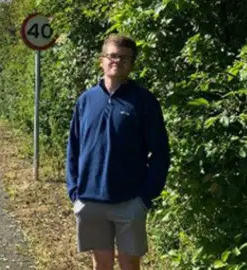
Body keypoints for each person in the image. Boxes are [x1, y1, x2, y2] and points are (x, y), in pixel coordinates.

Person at [65, 34, 171, 270]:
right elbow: (73, 148)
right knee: (100, 264)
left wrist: (145, 196)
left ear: (132, 64)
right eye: (112, 56)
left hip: (130, 200)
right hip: (90, 200)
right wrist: (74, 192)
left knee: (130, 264)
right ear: (102, 60)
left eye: (125, 57)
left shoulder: (144, 102)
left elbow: (161, 153)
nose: (117, 61)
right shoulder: (85, 101)